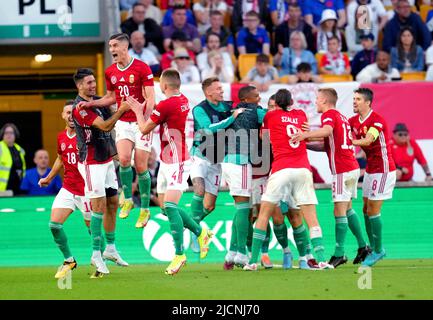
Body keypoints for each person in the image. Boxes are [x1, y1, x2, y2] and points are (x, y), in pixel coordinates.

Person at [126, 69, 213, 275]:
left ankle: (179, 254)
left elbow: (144, 129)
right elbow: (163, 113)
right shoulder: (182, 100)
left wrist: (138, 110)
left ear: (164, 86)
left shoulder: (166, 104)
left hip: (178, 161)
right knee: (165, 208)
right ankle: (202, 233)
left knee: (171, 205)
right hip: (167, 160)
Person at [243, 89, 333, 271]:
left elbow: (263, 137)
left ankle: (252, 262)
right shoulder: (301, 114)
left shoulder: (270, 117)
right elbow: (304, 131)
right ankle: (322, 260)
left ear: (275, 104)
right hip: (302, 169)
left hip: (281, 169)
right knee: (311, 218)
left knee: (263, 215)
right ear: (291, 102)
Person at [77, 34, 155, 229]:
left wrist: (142, 115)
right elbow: (112, 97)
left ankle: (145, 209)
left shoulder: (142, 68)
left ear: (124, 46)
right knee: (125, 159)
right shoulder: (110, 71)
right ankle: (128, 199)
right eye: (109, 45)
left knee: (141, 166)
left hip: (142, 121)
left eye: (114, 45)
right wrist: (91, 103)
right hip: (123, 122)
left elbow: (151, 98)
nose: (111, 49)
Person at [292, 88, 371, 268]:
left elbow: (326, 131)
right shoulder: (341, 117)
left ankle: (339, 253)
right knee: (348, 208)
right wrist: (306, 143)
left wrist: (305, 134)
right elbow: (326, 146)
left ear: (325, 101)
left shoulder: (328, 116)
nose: (316, 103)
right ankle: (362, 246)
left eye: (318, 99)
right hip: (351, 167)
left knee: (339, 211)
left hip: (342, 169)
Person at [72, 68, 130, 277]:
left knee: (113, 203)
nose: (93, 85)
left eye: (93, 81)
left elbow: (111, 104)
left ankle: (111, 248)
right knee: (98, 207)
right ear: (79, 86)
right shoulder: (80, 108)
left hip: (105, 160)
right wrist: (122, 109)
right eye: (88, 82)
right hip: (91, 161)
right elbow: (105, 126)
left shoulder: (97, 102)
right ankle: (96, 254)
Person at [38, 100, 93, 279]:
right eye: (67, 113)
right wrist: (48, 178)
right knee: (54, 225)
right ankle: (69, 260)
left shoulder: (87, 135)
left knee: (94, 229)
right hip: (68, 188)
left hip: (87, 190)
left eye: (73, 112)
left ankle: (102, 255)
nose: (70, 116)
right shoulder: (61, 137)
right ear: (63, 115)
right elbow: (60, 159)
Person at [189, 77, 242, 251]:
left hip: (217, 161)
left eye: (221, 87)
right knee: (199, 189)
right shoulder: (199, 109)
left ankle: (190, 224)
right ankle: (195, 233)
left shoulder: (227, 107)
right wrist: (231, 119)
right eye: (218, 88)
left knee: (209, 206)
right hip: (200, 156)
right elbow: (208, 130)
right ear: (208, 92)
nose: (222, 91)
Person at [349, 87, 397, 267]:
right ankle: (372, 248)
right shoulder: (353, 121)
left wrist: (349, 141)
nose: (354, 102)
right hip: (370, 169)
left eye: (358, 99)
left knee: (373, 211)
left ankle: (378, 250)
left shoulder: (377, 121)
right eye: (354, 99)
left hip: (384, 169)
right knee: (365, 210)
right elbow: (338, 131)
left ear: (368, 102)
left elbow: (368, 140)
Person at [221, 85, 267, 268]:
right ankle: (241, 252)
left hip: (227, 161)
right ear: (247, 99)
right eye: (256, 96)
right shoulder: (257, 111)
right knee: (244, 210)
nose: (259, 98)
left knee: (241, 208)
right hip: (241, 162)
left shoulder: (231, 111)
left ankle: (231, 253)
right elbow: (274, 119)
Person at [0, 123, 25, 195]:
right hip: (2, 190)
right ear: (2, 135)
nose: (9, 135)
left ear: (15, 135)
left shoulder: (19, 149)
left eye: (11, 133)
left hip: (17, 189)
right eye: (6, 133)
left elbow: (22, 168)